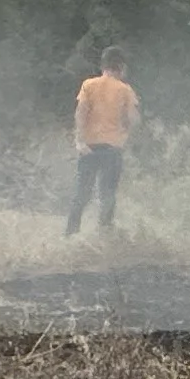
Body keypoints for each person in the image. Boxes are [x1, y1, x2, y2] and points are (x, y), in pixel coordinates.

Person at [65, 44, 138, 237]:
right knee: (107, 195)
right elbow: (133, 119)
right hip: (112, 149)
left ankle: (69, 235)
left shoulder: (88, 85)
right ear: (121, 66)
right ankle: (104, 234)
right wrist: (126, 134)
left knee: (81, 195)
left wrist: (79, 141)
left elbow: (80, 113)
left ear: (103, 65)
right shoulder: (125, 90)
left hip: (89, 147)